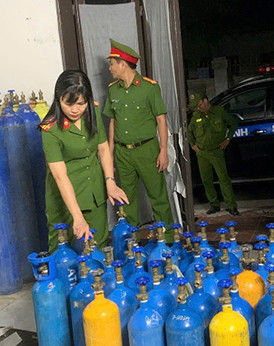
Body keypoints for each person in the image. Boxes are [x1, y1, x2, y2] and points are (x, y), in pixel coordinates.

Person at [40, 70, 128, 252]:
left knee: (98, 248)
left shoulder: (92, 113)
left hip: (94, 194)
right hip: (66, 199)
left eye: (81, 103)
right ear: (58, 98)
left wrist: (110, 182)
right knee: (64, 253)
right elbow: (60, 176)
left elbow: (103, 148)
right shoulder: (50, 129)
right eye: (69, 103)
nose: (75, 110)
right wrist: (77, 216)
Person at [104, 39, 175, 242]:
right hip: (123, 153)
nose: (110, 68)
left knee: (158, 197)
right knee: (127, 200)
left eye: (112, 63)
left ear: (123, 64)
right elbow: (112, 122)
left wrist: (163, 151)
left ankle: (168, 241)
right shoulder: (113, 90)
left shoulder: (149, 88)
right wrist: (110, 154)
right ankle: (132, 243)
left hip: (147, 150)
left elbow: (161, 120)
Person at [187, 91, 240, 216]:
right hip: (202, 153)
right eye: (196, 107)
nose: (198, 108)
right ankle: (214, 204)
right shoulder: (196, 116)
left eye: (199, 105)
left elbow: (233, 123)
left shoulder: (219, 112)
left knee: (223, 179)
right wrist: (193, 145)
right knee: (206, 180)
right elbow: (189, 132)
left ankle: (231, 205)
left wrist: (228, 138)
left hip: (216, 151)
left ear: (206, 100)